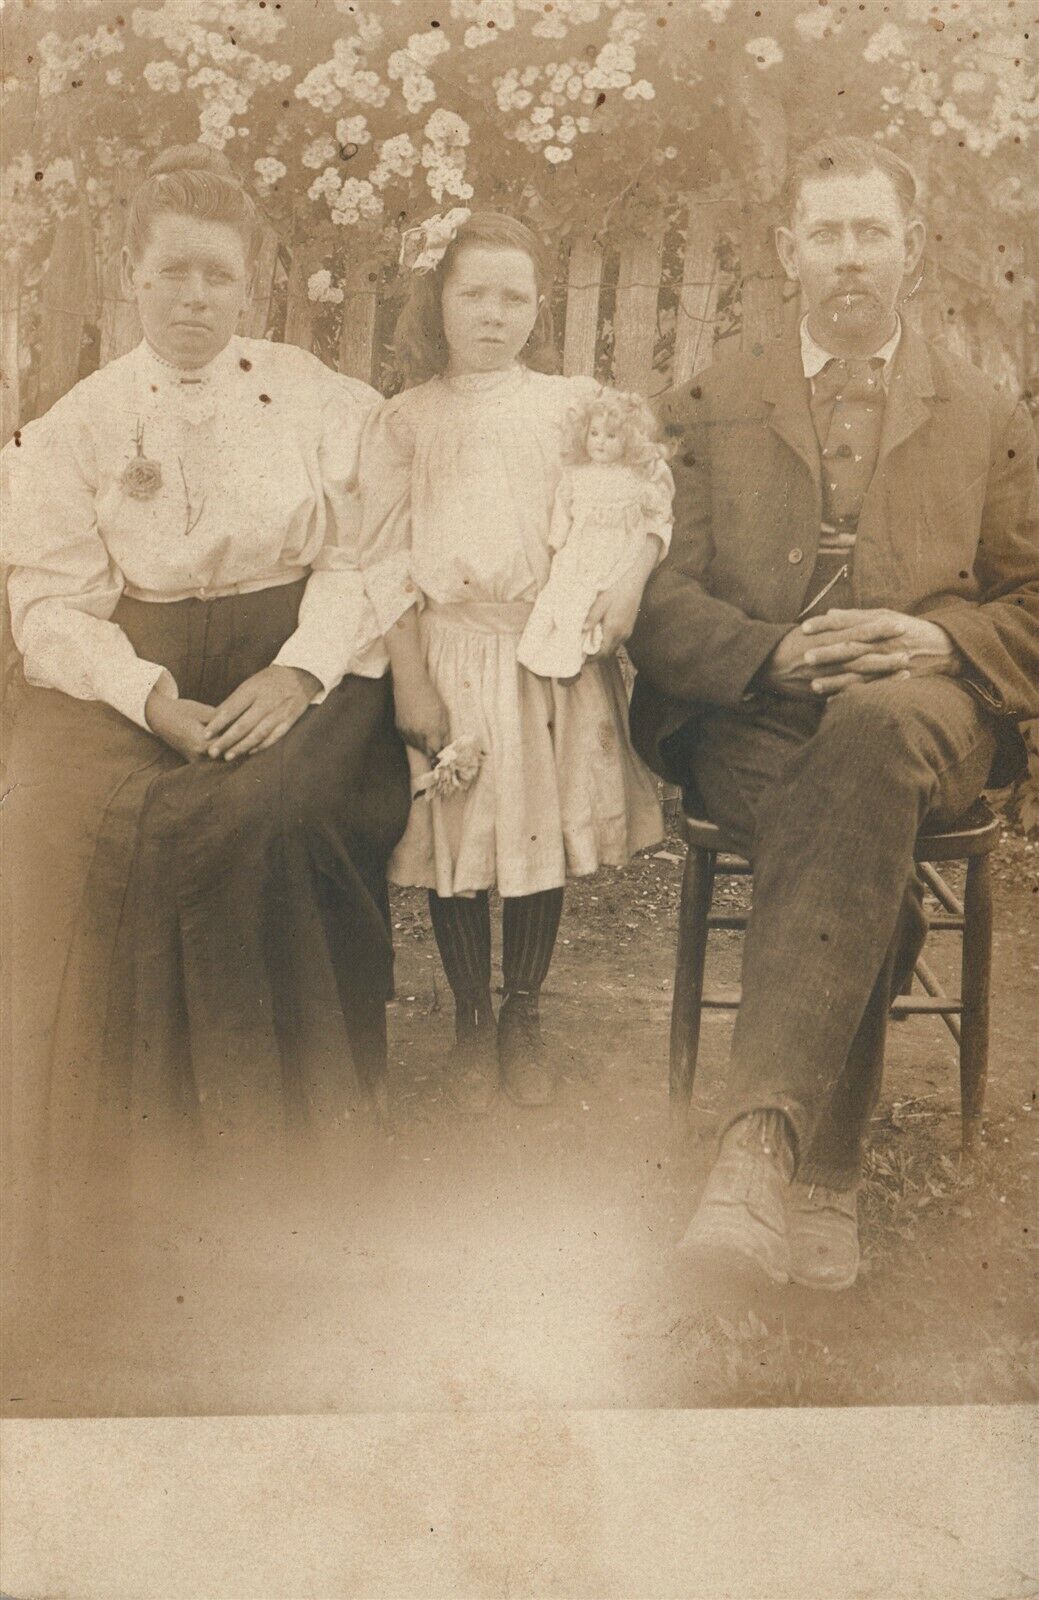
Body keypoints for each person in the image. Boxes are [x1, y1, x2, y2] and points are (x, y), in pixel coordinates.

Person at [628, 137, 1039, 1293]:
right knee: (857, 842)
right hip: (756, 716)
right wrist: (773, 651)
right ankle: (825, 1176)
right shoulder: (712, 402)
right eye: (827, 233)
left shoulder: (984, 408)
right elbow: (653, 598)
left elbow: (1034, 598)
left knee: (869, 742)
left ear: (911, 249)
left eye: (872, 233)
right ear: (785, 250)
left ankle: (754, 1151)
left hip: (929, 715)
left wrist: (937, 639)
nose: (849, 257)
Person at [1, 145, 410, 1283]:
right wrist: (146, 694)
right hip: (138, 666)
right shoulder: (72, 427)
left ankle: (278, 1192)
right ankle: (89, 1199)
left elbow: (366, 557)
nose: (193, 300)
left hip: (301, 664)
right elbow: (47, 605)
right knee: (48, 812)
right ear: (130, 278)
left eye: (216, 278)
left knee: (259, 820)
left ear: (252, 288)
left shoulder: (324, 403)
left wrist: (303, 671)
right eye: (171, 273)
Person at [357, 210, 667, 1113]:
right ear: (439, 301)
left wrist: (631, 580)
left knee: (533, 837)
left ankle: (522, 1018)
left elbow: (646, 497)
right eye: (472, 294)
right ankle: (467, 1020)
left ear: (538, 307)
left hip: (549, 652)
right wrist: (409, 674)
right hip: (450, 653)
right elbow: (377, 556)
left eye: (513, 296)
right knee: (458, 844)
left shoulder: (572, 408)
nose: (492, 314)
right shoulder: (406, 420)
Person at [517, 385, 674, 680]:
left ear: (627, 440)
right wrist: (556, 541)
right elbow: (563, 508)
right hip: (579, 548)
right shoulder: (577, 474)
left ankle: (573, 660)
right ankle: (537, 657)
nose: (600, 443)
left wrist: (649, 507)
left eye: (611, 436)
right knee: (557, 596)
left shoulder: (633, 476)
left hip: (614, 552)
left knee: (588, 605)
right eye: (595, 434)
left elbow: (657, 509)